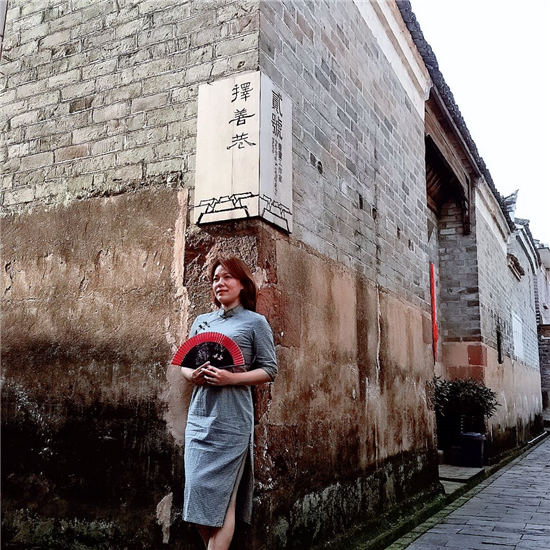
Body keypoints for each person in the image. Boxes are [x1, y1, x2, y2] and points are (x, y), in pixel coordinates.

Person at [181, 256, 278, 550]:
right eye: (215, 278)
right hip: (200, 416)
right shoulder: (202, 322)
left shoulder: (255, 323)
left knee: (226, 500)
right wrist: (193, 375)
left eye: (227, 277)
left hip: (233, 419)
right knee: (196, 493)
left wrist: (230, 378)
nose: (220, 283)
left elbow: (269, 369)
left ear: (242, 284)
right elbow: (185, 364)